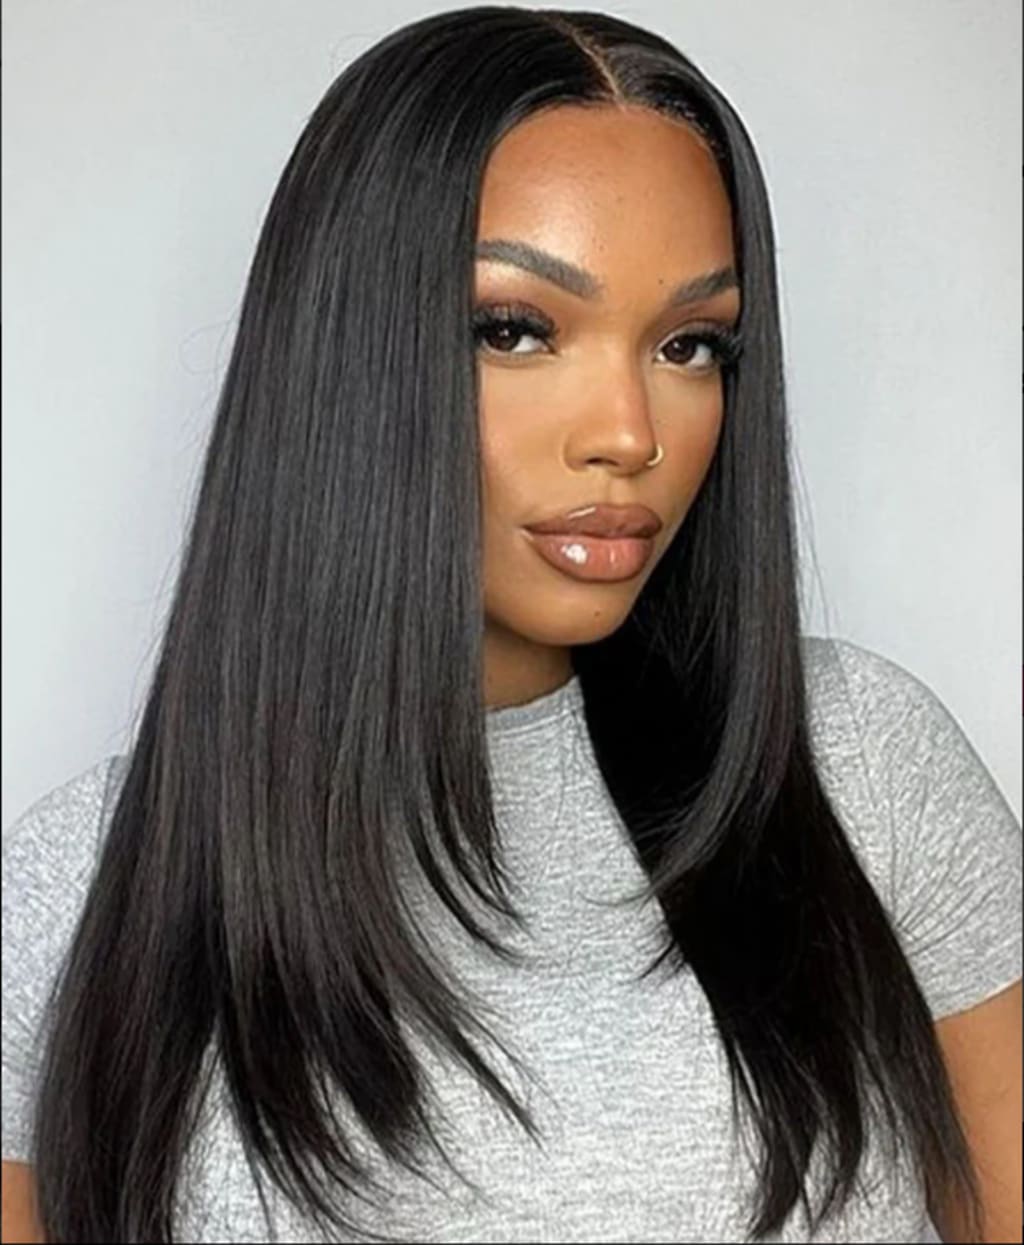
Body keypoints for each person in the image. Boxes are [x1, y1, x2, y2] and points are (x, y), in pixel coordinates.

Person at [2, 6, 1021, 1243]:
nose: (629, 432)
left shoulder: (862, 769)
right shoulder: (80, 895)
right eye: (515, 330)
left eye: (690, 345)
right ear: (347, 354)